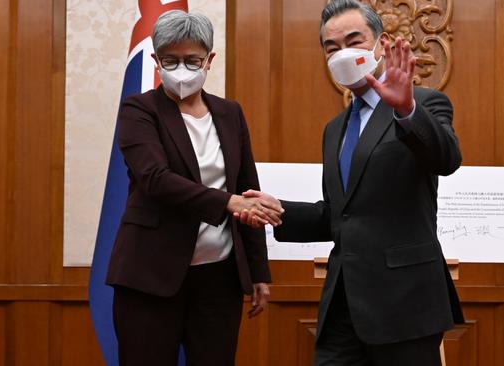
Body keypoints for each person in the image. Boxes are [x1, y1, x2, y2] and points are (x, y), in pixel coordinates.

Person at [236, 0, 464, 364]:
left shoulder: (425, 103)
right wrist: (279, 212)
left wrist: (406, 111)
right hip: (343, 303)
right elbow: (342, 215)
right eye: (332, 47)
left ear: (381, 43)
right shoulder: (335, 129)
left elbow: (446, 159)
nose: (343, 53)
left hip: (406, 306)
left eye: (354, 41)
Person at [105, 10, 283, 366]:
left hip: (218, 278)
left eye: (192, 60)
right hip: (150, 276)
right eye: (170, 60)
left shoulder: (230, 113)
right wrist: (227, 202)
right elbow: (155, 178)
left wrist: (258, 272)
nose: (181, 69)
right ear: (156, 60)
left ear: (209, 60)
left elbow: (248, 190)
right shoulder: (139, 110)